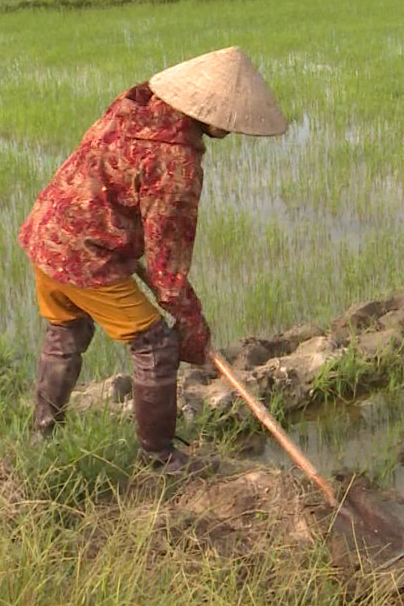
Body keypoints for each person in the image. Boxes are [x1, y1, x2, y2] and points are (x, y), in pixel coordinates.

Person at [18, 47, 287, 474]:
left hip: (46, 231)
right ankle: (159, 460)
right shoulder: (176, 162)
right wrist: (193, 328)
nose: (233, 129)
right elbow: (169, 274)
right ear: (209, 112)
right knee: (156, 345)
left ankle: (42, 433)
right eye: (230, 118)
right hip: (87, 257)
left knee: (67, 330)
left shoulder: (133, 107)